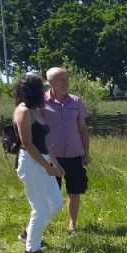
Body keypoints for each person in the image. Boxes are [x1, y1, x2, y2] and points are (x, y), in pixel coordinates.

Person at [13, 73, 65, 253]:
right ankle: (32, 250)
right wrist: (47, 166)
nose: (43, 92)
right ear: (31, 91)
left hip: (43, 160)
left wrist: (55, 164)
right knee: (40, 207)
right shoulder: (23, 111)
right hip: (31, 162)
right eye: (40, 89)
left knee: (57, 203)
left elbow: (44, 140)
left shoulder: (35, 109)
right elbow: (27, 143)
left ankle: (29, 233)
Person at [40, 67, 90, 234]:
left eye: (67, 79)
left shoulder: (75, 101)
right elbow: (37, 131)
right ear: (50, 82)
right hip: (52, 157)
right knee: (50, 195)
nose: (66, 82)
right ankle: (40, 226)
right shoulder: (41, 102)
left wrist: (86, 153)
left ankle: (72, 225)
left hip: (74, 154)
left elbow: (82, 128)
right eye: (62, 79)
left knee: (74, 191)